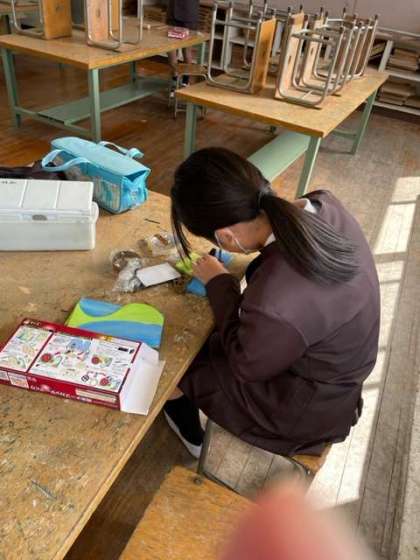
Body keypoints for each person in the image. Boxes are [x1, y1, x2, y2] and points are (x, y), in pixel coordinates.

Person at [164, 147, 380, 459]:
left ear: (225, 237)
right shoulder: (323, 203)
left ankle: (191, 436)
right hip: (339, 376)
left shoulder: (275, 301)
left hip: (308, 408)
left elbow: (245, 364)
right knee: (212, 340)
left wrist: (220, 283)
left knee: (177, 362)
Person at [166, 0, 200, 95]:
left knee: (187, 51)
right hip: (173, 13)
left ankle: (185, 82)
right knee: (171, 49)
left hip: (189, 15)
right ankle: (174, 82)